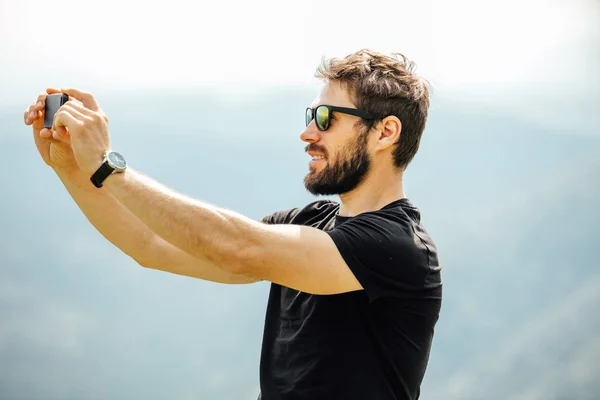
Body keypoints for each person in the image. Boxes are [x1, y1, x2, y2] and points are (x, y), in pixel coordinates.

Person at [23, 49, 442, 400]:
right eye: (311, 113)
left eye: (327, 117)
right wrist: (73, 169)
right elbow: (149, 244)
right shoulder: (310, 224)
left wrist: (108, 166)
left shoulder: (398, 248)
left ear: (385, 132)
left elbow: (237, 249)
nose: (306, 132)